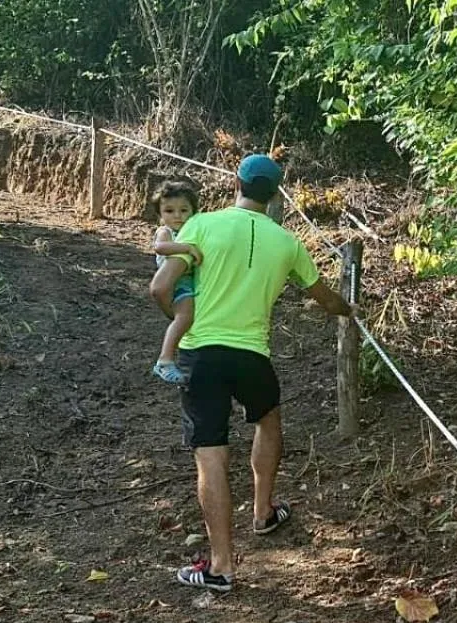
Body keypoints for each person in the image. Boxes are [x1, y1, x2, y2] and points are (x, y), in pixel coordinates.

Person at [149, 154, 353, 592]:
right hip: (252, 353)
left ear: (235, 182)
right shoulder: (288, 242)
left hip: (201, 353)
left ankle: (220, 567)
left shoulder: (201, 225)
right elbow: (325, 298)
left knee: (210, 452)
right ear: (276, 193)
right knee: (269, 420)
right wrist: (349, 310)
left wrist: (179, 320)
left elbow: (160, 286)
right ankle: (262, 511)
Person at [150, 182, 204, 385]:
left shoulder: (194, 229)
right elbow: (160, 247)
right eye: (169, 211)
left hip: (191, 282)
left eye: (184, 210)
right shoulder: (166, 232)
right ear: (160, 215)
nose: (177, 216)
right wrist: (186, 248)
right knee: (184, 317)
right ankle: (165, 360)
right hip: (177, 283)